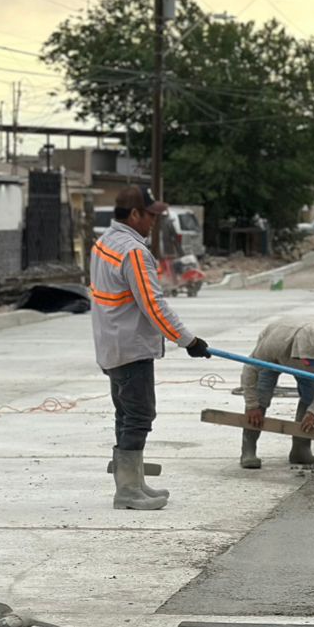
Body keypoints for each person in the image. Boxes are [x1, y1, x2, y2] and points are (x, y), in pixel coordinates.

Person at [91, 185, 209, 511]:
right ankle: (128, 491)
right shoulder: (133, 252)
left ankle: (133, 482)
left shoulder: (103, 243)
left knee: (126, 414)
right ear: (134, 214)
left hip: (111, 345)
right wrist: (188, 340)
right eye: (150, 215)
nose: (154, 222)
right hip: (131, 348)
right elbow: (153, 305)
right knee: (140, 415)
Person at [239, 319, 314, 468]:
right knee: (261, 394)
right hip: (274, 359)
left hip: (295, 357)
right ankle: (248, 450)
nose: (313, 367)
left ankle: (301, 449)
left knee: (311, 396)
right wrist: (252, 405)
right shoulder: (275, 343)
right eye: (309, 362)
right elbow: (250, 369)